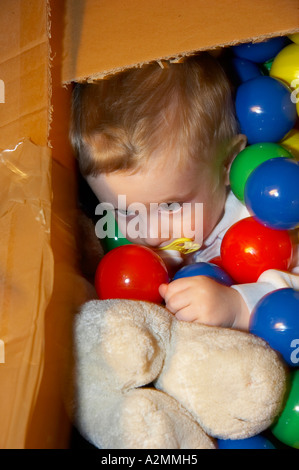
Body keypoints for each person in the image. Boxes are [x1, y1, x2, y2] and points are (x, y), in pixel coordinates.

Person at [70, 53, 299, 331]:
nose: (151, 234)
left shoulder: (264, 220)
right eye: (124, 211)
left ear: (227, 165)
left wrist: (238, 306)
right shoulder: (144, 244)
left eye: (170, 206)